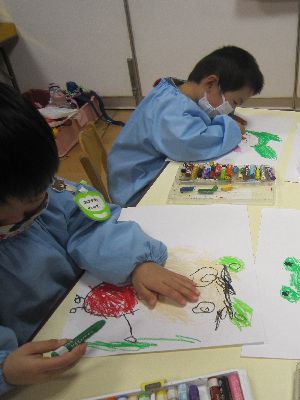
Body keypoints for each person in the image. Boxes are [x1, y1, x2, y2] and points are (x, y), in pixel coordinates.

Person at [0, 83, 199, 394]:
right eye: (17, 210)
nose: (36, 208)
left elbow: (91, 225)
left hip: (81, 323)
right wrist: (6, 370)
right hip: (32, 368)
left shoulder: (49, 192)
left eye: (39, 196)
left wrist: (136, 263)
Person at [108, 45, 264, 206]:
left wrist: (226, 116)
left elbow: (199, 116)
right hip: (137, 189)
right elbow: (190, 143)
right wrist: (231, 129)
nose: (231, 109)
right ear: (210, 83)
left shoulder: (183, 92)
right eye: (234, 102)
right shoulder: (170, 107)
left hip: (148, 173)